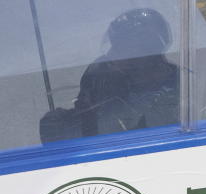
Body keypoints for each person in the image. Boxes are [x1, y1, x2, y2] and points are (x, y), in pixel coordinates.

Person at [40, 8, 178, 143]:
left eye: (123, 47)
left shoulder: (178, 83)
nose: (114, 55)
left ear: (146, 50)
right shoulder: (101, 72)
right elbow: (87, 115)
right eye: (116, 45)